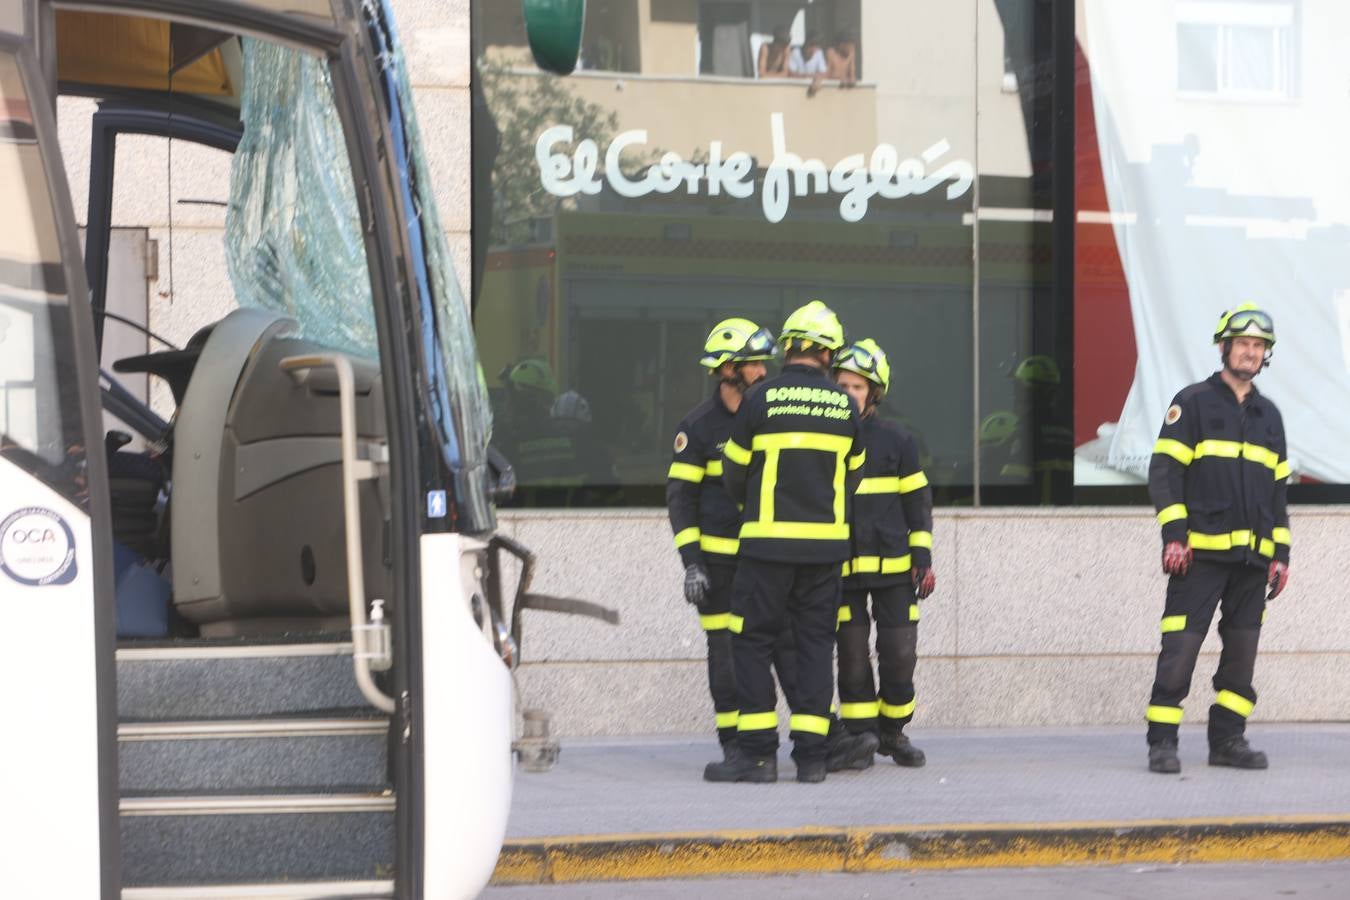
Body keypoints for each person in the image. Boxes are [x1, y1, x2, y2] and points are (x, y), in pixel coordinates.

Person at [704, 301, 878, 784]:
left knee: (753, 641)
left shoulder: (761, 400)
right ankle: (812, 759)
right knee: (816, 647)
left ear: (789, 347)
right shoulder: (844, 405)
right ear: (828, 354)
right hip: (825, 551)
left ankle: (758, 756)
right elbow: (855, 478)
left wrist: (758, 506)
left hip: (766, 548)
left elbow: (733, 473)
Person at [1145, 303, 1291, 774]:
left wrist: (1281, 555)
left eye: (1258, 347)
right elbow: (1164, 473)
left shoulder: (1270, 417)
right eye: (1243, 344)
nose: (1250, 352)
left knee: (1241, 658)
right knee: (1180, 650)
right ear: (1225, 347)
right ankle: (1162, 742)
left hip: (1253, 561)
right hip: (1199, 557)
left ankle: (1228, 740)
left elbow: (1277, 495)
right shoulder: (1192, 403)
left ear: (1264, 355)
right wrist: (1174, 535)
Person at [667, 319, 797, 764]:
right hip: (718, 569)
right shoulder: (698, 428)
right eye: (752, 364)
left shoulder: (771, 417)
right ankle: (733, 744)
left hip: (766, 559)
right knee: (723, 652)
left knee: (786, 645)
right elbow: (681, 500)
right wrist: (692, 563)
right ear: (726, 369)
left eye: (764, 363)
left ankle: (812, 737)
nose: (763, 372)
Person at [831, 339, 935, 768]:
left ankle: (893, 732)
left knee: (899, 654)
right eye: (842, 385)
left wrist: (923, 558)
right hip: (841, 572)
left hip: (895, 570)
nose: (849, 393)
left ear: (874, 392)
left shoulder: (898, 439)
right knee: (853, 656)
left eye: (857, 386)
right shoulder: (825, 438)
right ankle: (862, 738)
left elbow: (918, 502)